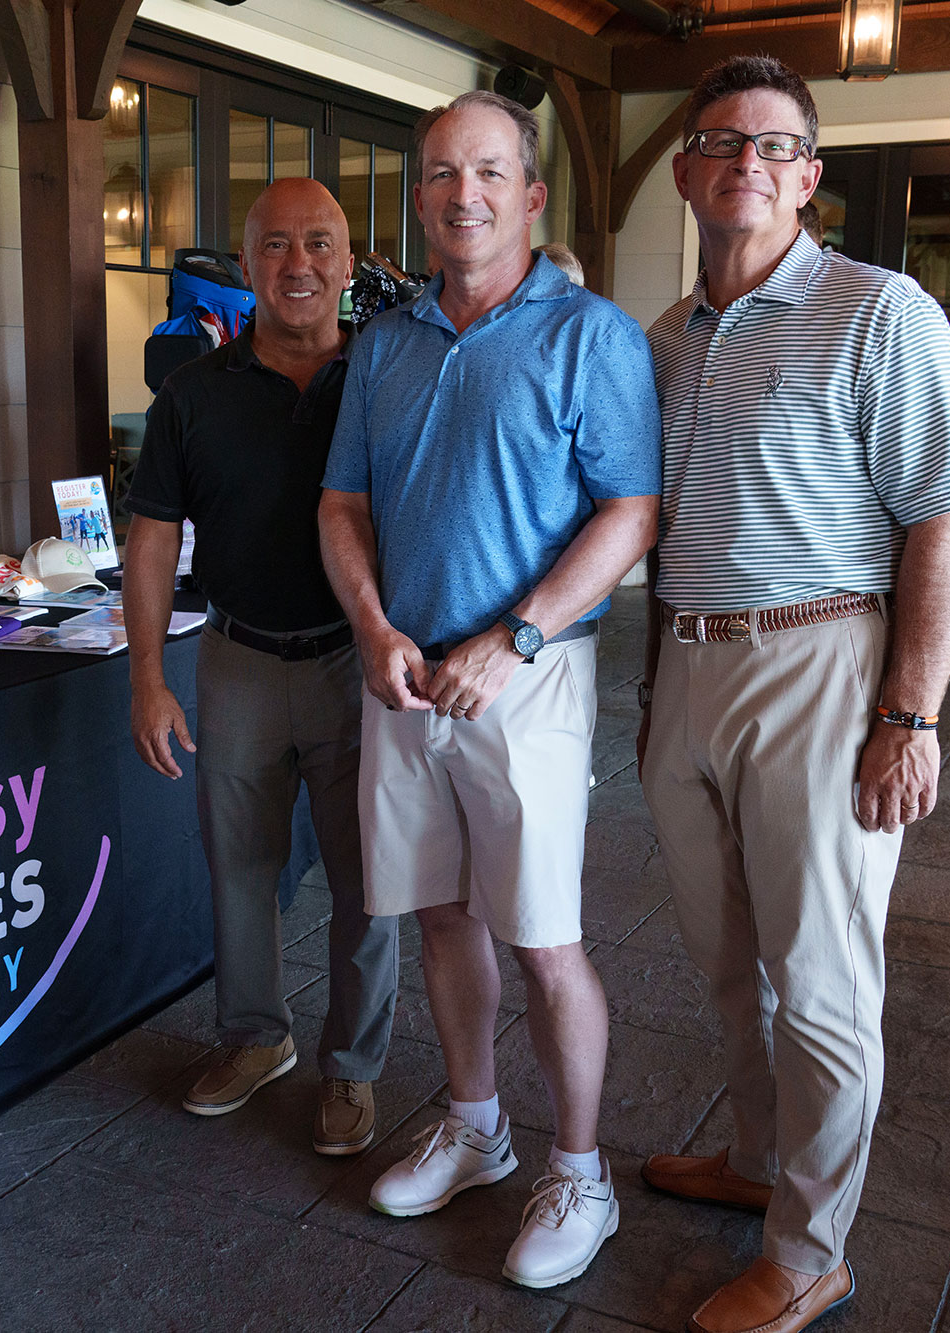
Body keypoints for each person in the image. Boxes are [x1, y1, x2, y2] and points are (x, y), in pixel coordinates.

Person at [634, 55, 950, 1333]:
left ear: (809, 179)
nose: (747, 163)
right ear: (683, 171)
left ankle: (809, 1246)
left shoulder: (878, 310)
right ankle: (757, 1160)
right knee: (731, 963)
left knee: (824, 975)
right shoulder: (666, 337)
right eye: (722, 141)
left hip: (820, 662)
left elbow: (943, 519)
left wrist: (910, 713)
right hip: (685, 663)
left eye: (776, 147)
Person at [318, 90, 661, 1289]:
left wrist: (512, 636)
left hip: (529, 679)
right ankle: (475, 1124)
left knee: (545, 938)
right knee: (437, 914)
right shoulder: (389, 341)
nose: (460, 194)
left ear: (527, 194)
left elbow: (629, 512)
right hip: (402, 678)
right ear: (418, 198)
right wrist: (370, 629)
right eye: (436, 174)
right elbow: (342, 505)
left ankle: (579, 1170)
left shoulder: (591, 336)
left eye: (486, 172)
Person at [124, 178, 398, 1157]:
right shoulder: (191, 394)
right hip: (235, 658)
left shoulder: (383, 376)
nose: (297, 265)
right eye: (274, 247)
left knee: (368, 876)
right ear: (245, 269)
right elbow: (152, 539)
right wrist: (146, 674)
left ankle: (353, 1068)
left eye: (318, 243)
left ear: (347, 261)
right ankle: (254, 1037)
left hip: (353, 663)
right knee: (238, 866)